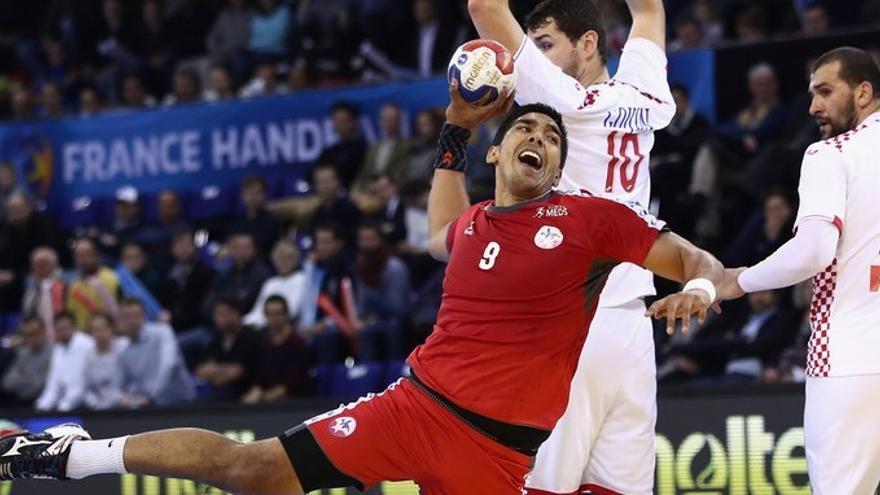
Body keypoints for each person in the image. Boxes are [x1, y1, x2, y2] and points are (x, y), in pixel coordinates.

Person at [0, 87, 723, 494]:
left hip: (498, 457)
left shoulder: (588, 219)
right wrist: (455, 129)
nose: (539, 137)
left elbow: (689, 254)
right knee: (253, 471)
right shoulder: (471, 223)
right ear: (500, 152)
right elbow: (443, 212)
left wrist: (695, 281)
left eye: (551, 137)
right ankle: (69, 453)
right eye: (525, 127)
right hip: (414, 409)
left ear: (558, 164)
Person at [467, 0, 675, 492]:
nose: (535, 58)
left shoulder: (565, 103)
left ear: (587, 43)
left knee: (541, 485)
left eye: (545, 45)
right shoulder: (644, 91)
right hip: (631, 326)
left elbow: (482, 7)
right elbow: (648, 10)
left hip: (571, 321)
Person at [718, 47, 880, 493]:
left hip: (849, 357)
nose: (812, 107)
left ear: (864, 92)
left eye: (825, 92)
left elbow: (813, 250)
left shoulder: (831, 153)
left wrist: (740, 280)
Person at [117, 297, 194, 408]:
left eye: (135, 316)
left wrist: (151, 396)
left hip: (182, 404)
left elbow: (169, 364)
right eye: (127, 317)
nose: (131, 321)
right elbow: (125, 385)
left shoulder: (163, 332)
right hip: (151, 407)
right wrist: (127, 398)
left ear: (144, 315)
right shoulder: (125, 350)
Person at [35, 312, 95, 412]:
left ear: (74, 327)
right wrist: (41, 406)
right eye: (59, 330)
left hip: (87, 404)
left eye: (66, 329)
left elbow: (82, 385)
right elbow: (53, 384)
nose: (63, 333)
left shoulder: (87, 344)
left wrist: (64, 406)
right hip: (65, 405)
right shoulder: (58, 350)